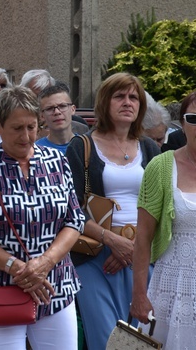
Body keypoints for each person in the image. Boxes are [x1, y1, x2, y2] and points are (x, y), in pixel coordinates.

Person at [0, 86, 84, 348]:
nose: (26, 136)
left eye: (32, 127)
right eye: (17, 128)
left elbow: (74, 220)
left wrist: (45, 262)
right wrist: (18, 268)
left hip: (53, 284)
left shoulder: (57, 161)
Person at [65, 72, 160, 349]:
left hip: (143, 257)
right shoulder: (81, 146)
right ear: (105, 102)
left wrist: (131, 247)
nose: (127, 102)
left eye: (134, 97)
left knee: (144, 340)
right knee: (107, 341)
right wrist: (112, 241)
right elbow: (69, 208)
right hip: (94, 259)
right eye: (119, 96)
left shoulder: (151, 148)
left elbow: (163, 208)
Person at [131, 90, 196, 346]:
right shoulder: (161, 167)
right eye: (193, 118)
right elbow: (143, 238)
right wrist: (138, 294)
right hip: (173, 286)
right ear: (181, 124)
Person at [36, 83, 78, 154]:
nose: (57, 112)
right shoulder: (36, 151)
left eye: (62, 106)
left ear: (72, 109)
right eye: (49, 108)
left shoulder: (87, 146)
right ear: (42, 115)